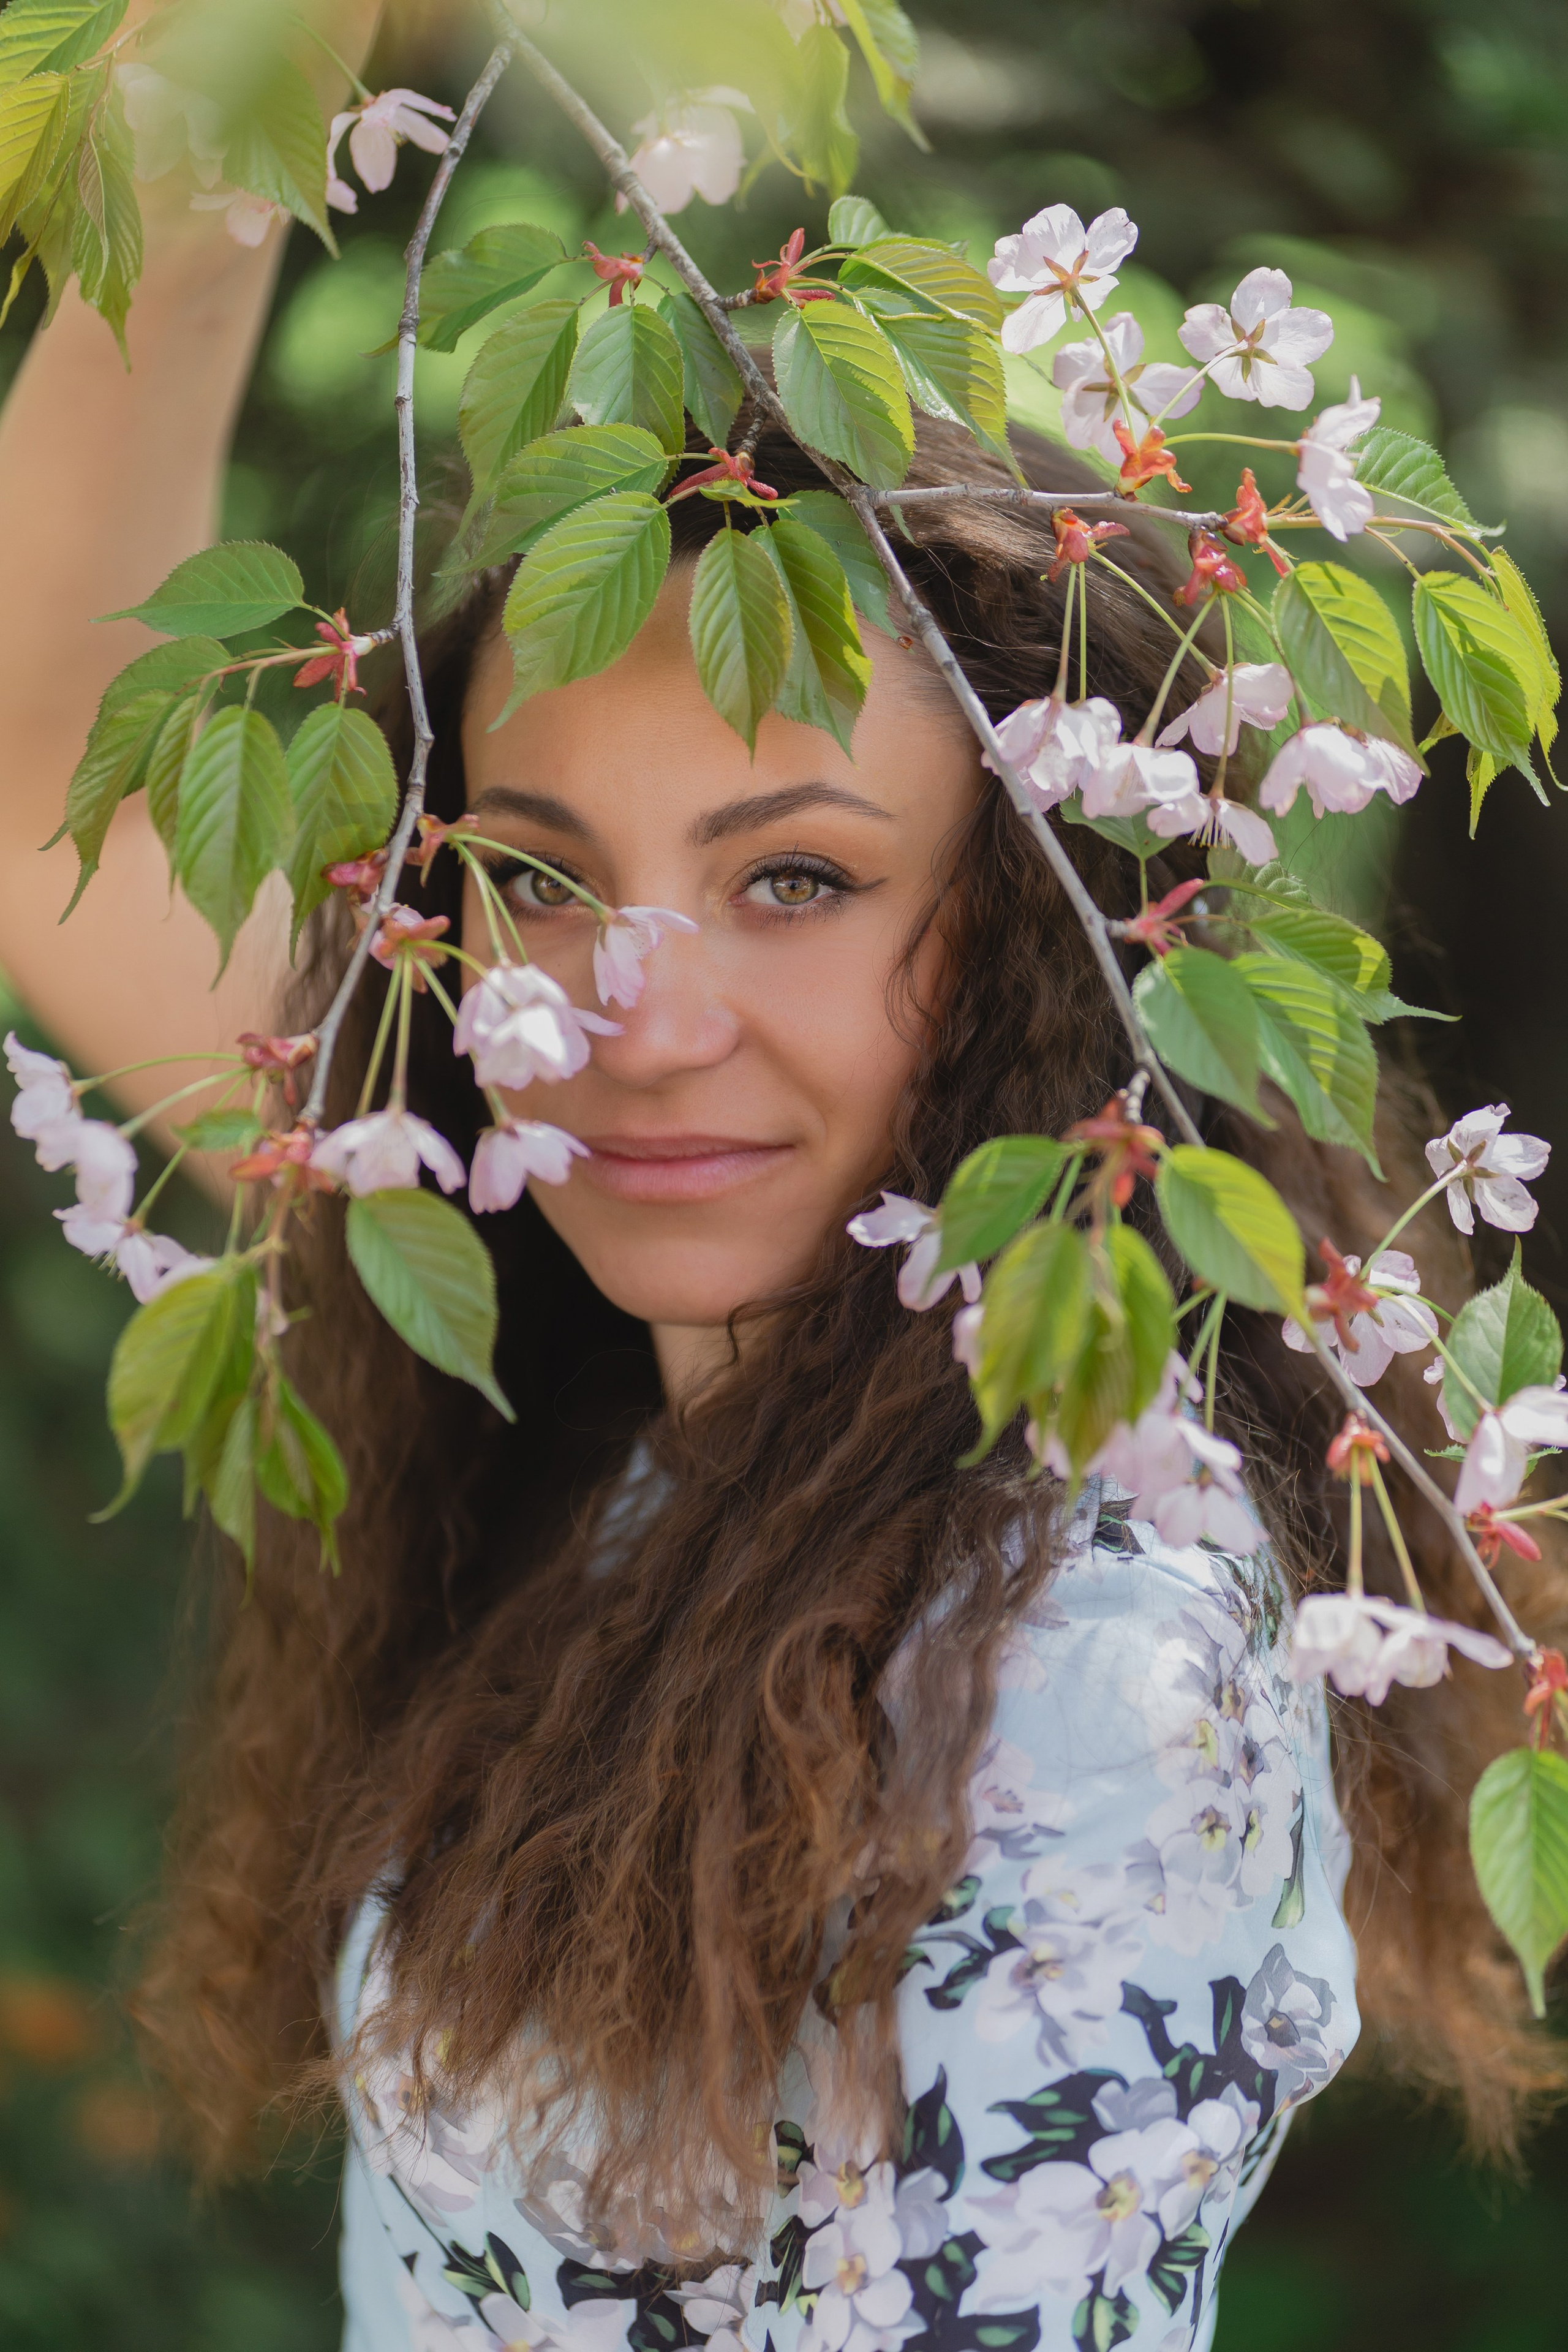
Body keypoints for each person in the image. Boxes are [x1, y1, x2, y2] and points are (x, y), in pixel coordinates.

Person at [0, 160, 1556, 2352]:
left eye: (798, 883)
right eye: (541, 883)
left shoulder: (1084, 1660)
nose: (631, 1023)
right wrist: (234, 94)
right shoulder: (646, 1404)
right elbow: (47, 768)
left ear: (1048, 951)